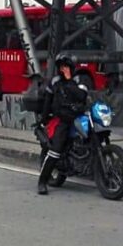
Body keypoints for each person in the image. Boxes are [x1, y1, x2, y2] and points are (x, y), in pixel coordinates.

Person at [37, 54, 89, 195]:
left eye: (66, 66)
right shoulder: (55, 82)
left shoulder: (79, 80)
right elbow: (48, 101)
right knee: (56, 150)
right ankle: (42, 181)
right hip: (63, 119)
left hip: (78, 117)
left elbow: (82, 96)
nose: (63, 69)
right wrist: (43, 119)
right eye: (61, 66)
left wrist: (69, 81)